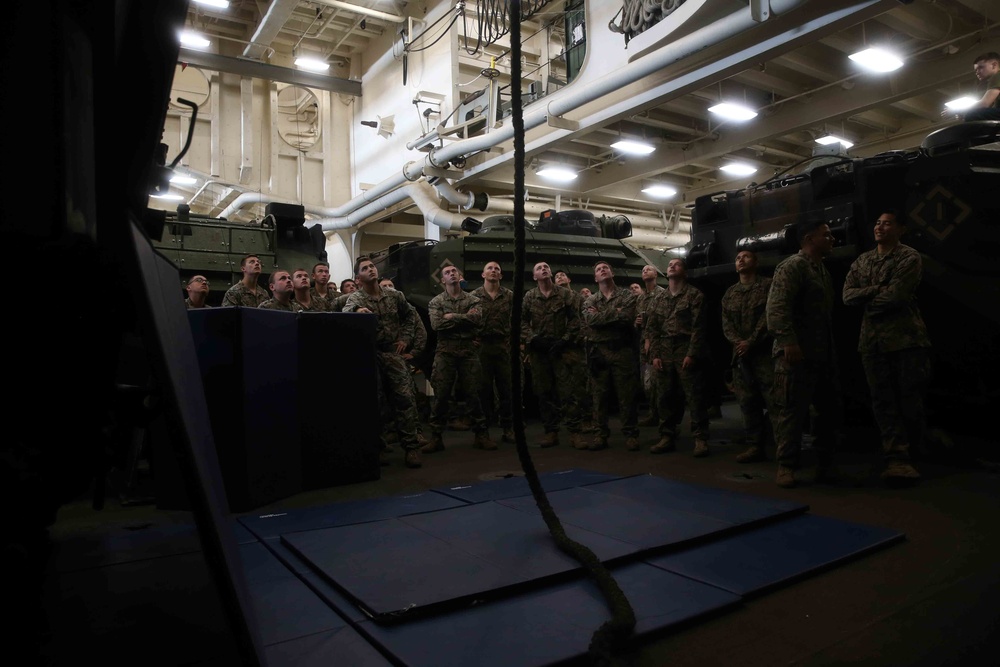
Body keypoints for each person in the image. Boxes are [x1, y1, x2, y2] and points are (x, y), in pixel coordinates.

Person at [843, 210, 931, 482]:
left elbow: (896, 296)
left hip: (905, 340)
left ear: (900, 229)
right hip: (872, 343)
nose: (880, 227)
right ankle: (896, 457)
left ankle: (915, 452)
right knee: (883, 401)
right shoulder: (863, 260)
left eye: (887, 223)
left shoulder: (908, 257)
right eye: (878, 223)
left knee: (909, 399)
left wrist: (868, 297)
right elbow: (847, 296)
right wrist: (875, 290)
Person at [766, 221, 842, 488]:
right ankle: (786, 466)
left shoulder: (821, 270)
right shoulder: (792, 266)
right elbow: (776, 308)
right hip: (794, 355)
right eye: (827, 235)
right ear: (809, 239)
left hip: (821, 353)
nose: (832, 238)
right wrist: (788, 341)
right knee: (790, 411)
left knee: (826, 412)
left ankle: (825, 465)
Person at [344, 256, 423, 468]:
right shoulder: (356, 298)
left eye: (372, 266)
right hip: (372, 355)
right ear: (358, 277)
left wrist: (405, 339)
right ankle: (377, 448)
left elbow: (410, 317)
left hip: (393, 354)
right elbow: (346, 311)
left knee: (405, 399)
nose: (371, 269)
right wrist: (357, 311)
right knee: (375, 403)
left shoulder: (394, 295)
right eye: (365, 268)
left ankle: (411, 448)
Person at [422, 263, 496, 453]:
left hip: (468, 352)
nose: (451, 274)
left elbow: (477, 319)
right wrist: (463, 318)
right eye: (447, 272)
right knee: (441, 395)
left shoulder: (473, 299)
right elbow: (437, 324)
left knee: (474, 394)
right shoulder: (436, 302)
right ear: (443, 280)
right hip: (445, 353)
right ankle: (436, 437)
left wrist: (452, 316)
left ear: (459, 276)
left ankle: (481, 435)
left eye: (454, 271)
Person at [644, 258, 710, 457]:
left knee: (694, 397)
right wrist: (654, 355)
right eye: (670, 264)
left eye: (677, 264)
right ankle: (667, 436)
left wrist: (692, 353)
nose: (672, 266)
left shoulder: (694, 296)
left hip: (685, 349)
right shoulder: (659, 299)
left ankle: (700, 438)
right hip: (664, 351)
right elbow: (652, 329)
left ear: (685, 272)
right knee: (664, 396)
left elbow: (699, 329)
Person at [521, 261, 588, 449]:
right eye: (539, 268)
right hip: (540, 352)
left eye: (546, 267)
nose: (544, 269)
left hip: (562, 351)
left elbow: (575, 320)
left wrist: (565, 340)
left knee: (569, 393)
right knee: (544, 393)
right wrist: (533, 339)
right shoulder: (530, 297)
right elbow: (521, 321)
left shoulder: (565, 294)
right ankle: (551, 432)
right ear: (535, 277)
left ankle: (575, 432)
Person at [721, 250, 776, 463]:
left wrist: (751, 341)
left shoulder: (768, 286)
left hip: (764, 355)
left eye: (746, 257)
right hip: (741, 357)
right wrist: (738, 343)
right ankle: (755, 446)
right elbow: (726, 324)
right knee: (747, 403)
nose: (741, 260)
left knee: (775, 402)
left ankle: (783, 447)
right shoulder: (730, 293)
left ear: (756, 261)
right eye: (737, 258)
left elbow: (769, 315)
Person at [583, 261, 640, 451]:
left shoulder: (627, 295)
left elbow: (627, 317)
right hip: (599, 352)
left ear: (612, 273)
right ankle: (600, 434)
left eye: (605, 268)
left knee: (627, 395)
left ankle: (631, 434)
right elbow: (591, 320)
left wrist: (603, 315)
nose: (602, 270)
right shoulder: (590, 300)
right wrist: (615, 312)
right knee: (599, 397)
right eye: (598, 269)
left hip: (622, 351)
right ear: (596, 278)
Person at [471, 261, 516, 443]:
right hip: (481, 347)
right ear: (483, 275)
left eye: (497, 268)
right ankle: (482, 431)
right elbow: (468, 319)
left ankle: (508, 428)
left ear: (501, 275)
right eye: (489, 268)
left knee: (507, 389)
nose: (493, 270)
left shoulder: (509, 296)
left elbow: (517, 319)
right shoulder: (473, 296)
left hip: (503, 346)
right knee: (482, 390)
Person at [635, 265, 664, 427]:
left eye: (649, 269)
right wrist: (637, 322)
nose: (645, 271)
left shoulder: (662, 295)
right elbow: (638, 320)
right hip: (643, 345)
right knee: (646, 383)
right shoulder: (640, 298)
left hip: (658, 343)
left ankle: (663, 417)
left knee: (658, 381)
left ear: (656, 274)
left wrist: (651, 340)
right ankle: (653, 413)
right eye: (643, 270)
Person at [963, 52, 1000, 122]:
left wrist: (957, 110)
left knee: (973, 114)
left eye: (981, 67)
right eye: (976, 70)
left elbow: (984, 104)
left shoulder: (997, 76)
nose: (977, 72)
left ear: (994, 65)